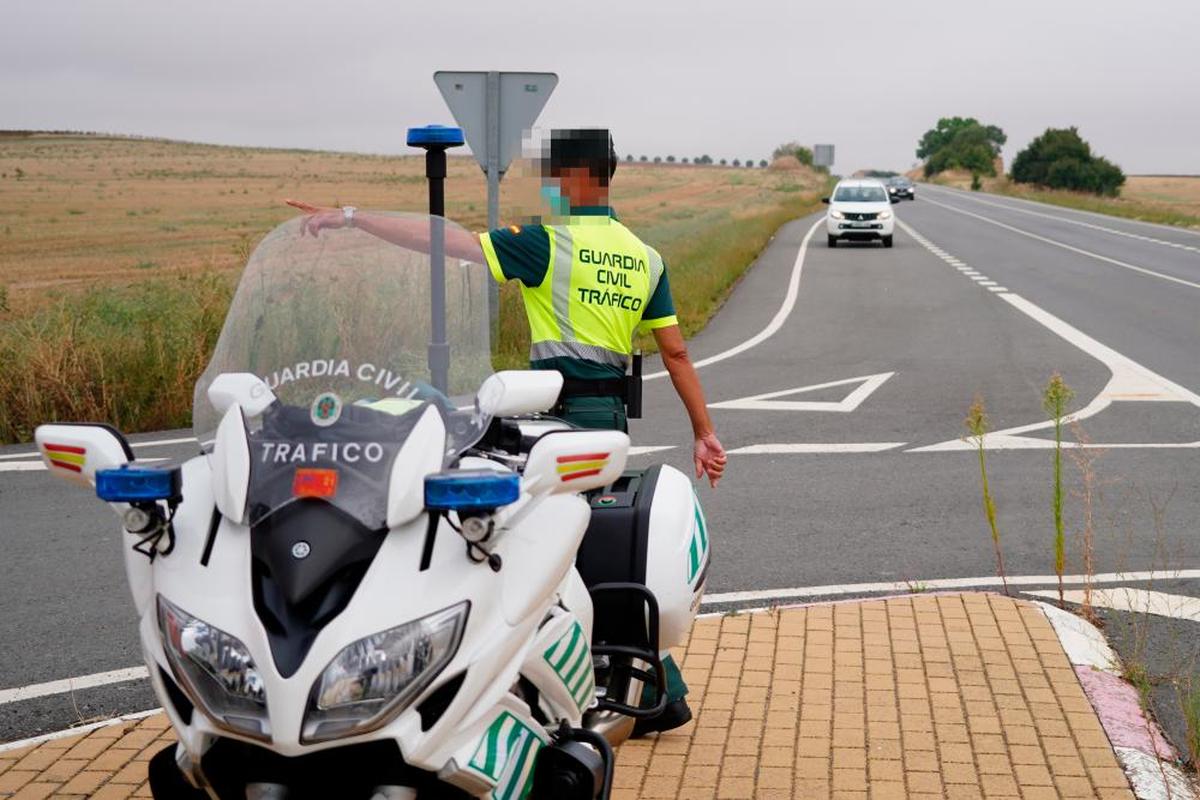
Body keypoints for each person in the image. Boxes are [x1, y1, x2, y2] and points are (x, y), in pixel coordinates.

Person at [285, 128, 726, 735]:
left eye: (552, 176)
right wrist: (704, 432)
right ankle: (658, 687)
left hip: (554, 416)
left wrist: (353, 218)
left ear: (575, 179)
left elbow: (450, 244)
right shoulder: (645, 256)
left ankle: (612, 688)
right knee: (585, 545)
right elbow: (674, 353)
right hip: (609, 419)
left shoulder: (550, 242)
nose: (547, 188)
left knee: (543, 553)